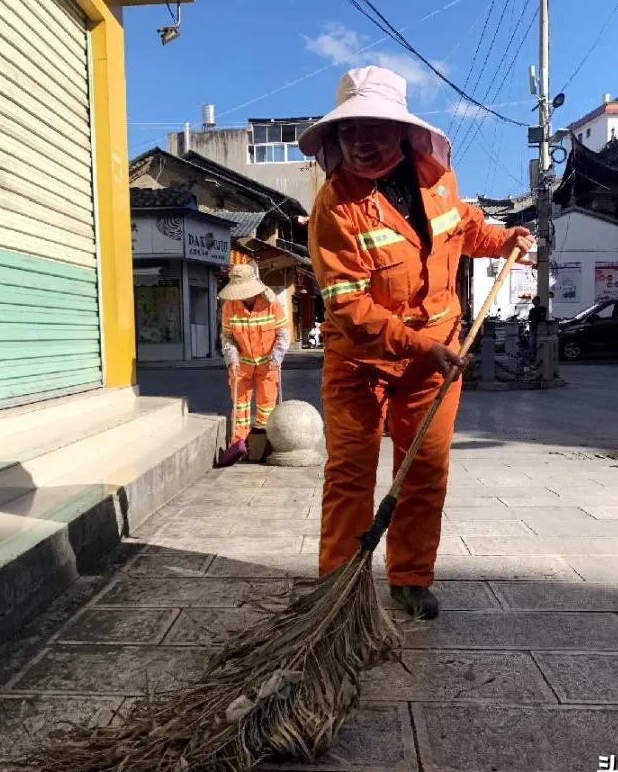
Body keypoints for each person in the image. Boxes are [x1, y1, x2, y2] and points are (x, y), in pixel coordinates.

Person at [298, 66, 535, 619]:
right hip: (361, 362)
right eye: (348, 130)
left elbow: (467, 228)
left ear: (402, 131)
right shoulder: (335, 208)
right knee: (351, 474)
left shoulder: (438, 180)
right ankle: (339, 588)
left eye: (373, 127)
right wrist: (419, 345)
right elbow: (350, 308)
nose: (360, 141)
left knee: (424, 471)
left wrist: (505, 239)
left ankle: (409, 579)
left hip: (435, 361)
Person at [216, 262, 290, 466]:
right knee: (239, 408)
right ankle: (239, 444)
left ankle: (263, 446)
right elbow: (227, 337)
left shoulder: (271, 303)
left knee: (266, 407)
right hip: (242, 365)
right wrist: (231, 360)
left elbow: (283, 334)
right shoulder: (229, 306)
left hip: (268, 364)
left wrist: (276, 357)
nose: (242, 296)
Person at [527, 294, 547, 359]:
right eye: (533, 300)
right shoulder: (532, 310)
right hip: (533, 327)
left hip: (539, 328)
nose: (533, 301)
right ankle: (533, 355)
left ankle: (539, 355)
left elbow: (541, 317)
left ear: (538, 301)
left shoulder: (542, 309)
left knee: (538, 342)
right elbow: (530, 318)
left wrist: (536, 319)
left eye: (535, 300)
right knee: (532, 342)